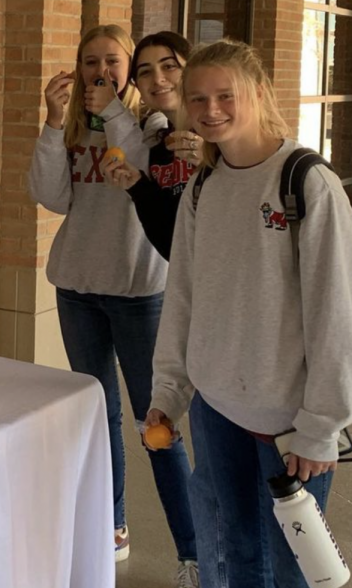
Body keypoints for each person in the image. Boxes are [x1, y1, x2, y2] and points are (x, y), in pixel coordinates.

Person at [146, 40, 352, 587]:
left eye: (225, 95)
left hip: (287, 424)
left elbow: (336, 317)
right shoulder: (202, 186)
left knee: (292, 569)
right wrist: (169, 394)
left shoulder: (307, 183)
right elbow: (183, 297)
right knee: (234, 558)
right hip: (216, 412)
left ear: (258, 93)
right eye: (198, 99)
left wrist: (320, 428)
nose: (211, 110)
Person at [28, 24, 199, 585]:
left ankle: (193, 551)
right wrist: (55, 126)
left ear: (130, 70)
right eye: (90, 62)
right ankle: (114, 524)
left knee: (158, 424)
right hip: (77, 288)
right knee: (97, 418)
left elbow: (154, 178)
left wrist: (114, 114)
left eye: (114, 61)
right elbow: (52, 196)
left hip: (140, 294)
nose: (101, 71)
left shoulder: (154, 122)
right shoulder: (79, 125)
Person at [102, 32, 204, 260]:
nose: (158, 79)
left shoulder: (220, 137)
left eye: (169, 66)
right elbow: (170, 245)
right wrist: (138, 186)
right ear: (136, 85)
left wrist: (214, 161)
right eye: (146, 72)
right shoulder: (160, 151)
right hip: (191, 288)